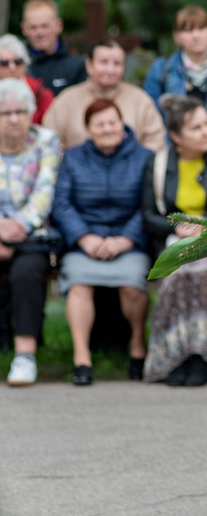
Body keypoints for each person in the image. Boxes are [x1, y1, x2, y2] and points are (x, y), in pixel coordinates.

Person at [142, 95, 207, 386]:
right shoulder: (159, 163)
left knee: (202, 272)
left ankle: (202, 357)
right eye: (196, 128)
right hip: (176, 241)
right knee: (180, 270)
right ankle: (175, 358)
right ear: (176, 137)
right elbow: (149, 216)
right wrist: (177, 226)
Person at [52, 99, 153, 386]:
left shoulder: (145, 157)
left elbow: (147, 206)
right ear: (87, 129)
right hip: (85, 242)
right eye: (100, 124)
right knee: (79, 286)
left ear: (123, 125)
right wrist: (85, 237)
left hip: (128, 242)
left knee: (133, 284)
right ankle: (82, 358)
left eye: (113, 122)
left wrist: (125, 240)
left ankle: (137, 346)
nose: (107, 128)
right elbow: (61, 204)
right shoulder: (72, 158)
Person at [0, 79, 61, 386]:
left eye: (20, 111)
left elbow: (44, 193)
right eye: (5, 112)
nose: (13, 118)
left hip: (33, 235)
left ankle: (25, 356)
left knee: (27, 271)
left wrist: (17, 229)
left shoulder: (46, 141)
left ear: (32, 113)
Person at [143, 5, 207, 148]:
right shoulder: (162, 70)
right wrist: (177, 144)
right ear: (177, 36)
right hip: (175, 151)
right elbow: (150, 115)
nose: (196, 36)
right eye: (188, 30)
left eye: (201, 28)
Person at [43, 38, 165, 151]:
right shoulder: (66, 100)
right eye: (104, 62)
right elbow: (49, 142)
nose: (110, 70)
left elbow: (156, 141)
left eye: (117, 64)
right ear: (89, 66)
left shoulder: (140, 100)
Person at [20, 0, 86, 95]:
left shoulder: (78, 66)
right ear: (24, 29)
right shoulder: (15, 64)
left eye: (45, 26)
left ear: (58, 26)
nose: (39, 33)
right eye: (33, 27)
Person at [0, 34, 53, 124]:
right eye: (4, 63)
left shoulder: (41, 94)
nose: (12, 67)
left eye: (17, 62)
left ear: (25, 64)